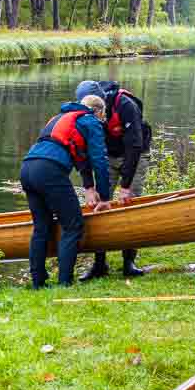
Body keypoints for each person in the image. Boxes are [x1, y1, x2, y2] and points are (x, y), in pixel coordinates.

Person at [20, 90, 110, 288]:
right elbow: (99, 161)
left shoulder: (60, 117)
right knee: (73, 225)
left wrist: (89, 187)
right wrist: (104, 197)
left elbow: (80, 157)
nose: (103, 120)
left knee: (41, 227)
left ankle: (38, 283)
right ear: (98, 111)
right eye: (103, 116)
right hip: (49, 171)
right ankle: (64, 283)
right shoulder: (90, 121)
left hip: (27, 167)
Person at [78, 78, 152, 280]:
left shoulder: (125, 105)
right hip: (108, 156)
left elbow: (135, 145)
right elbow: (83, 151)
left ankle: (129, 262)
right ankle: (100, 264)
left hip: (135, 154)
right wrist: (89, 186)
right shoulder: (81, 112)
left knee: (130, 206)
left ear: (102, 100)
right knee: (99, 206)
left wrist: (126, 185)